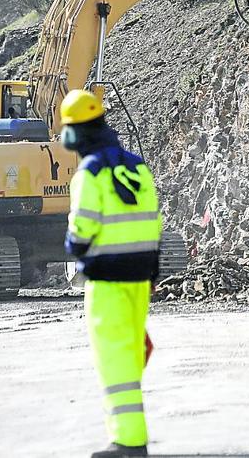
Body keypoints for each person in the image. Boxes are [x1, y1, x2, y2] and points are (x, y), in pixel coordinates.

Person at [60, 89, 162, 458]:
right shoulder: (136, 165)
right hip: (140, 276)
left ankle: (129, 442)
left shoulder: (89, 172)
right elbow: (153, 219)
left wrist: (74, 247)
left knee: (114, 357)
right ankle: (128, 436)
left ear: (74, 133)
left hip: (107, 280)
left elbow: (82, 230)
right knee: (132, 349)